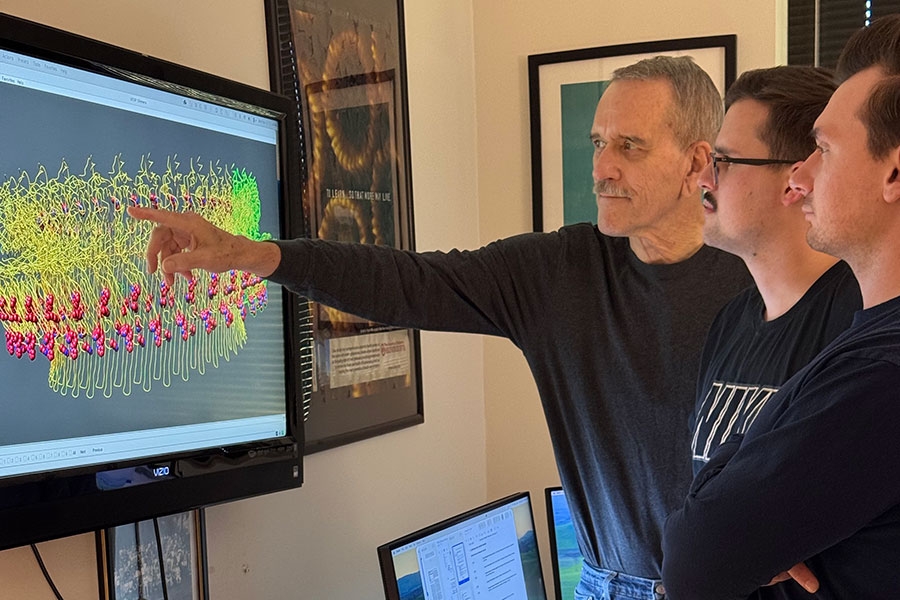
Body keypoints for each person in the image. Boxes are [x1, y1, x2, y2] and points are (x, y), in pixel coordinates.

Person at [130, 56, 751, 600]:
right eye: (597, 143)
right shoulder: (559, 272)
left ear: (698, 162)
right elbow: (409, 282)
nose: (603, 168)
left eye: (629, 147)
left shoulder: (761, 279)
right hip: (603, 584)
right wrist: (255, 255)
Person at [662, 15, 900, 599]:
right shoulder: (738, 322)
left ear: (894, 171)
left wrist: (728, 512)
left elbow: (696, 554)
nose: (805, 174)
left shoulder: (879, 367)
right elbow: (699, 509)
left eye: (824, 149)